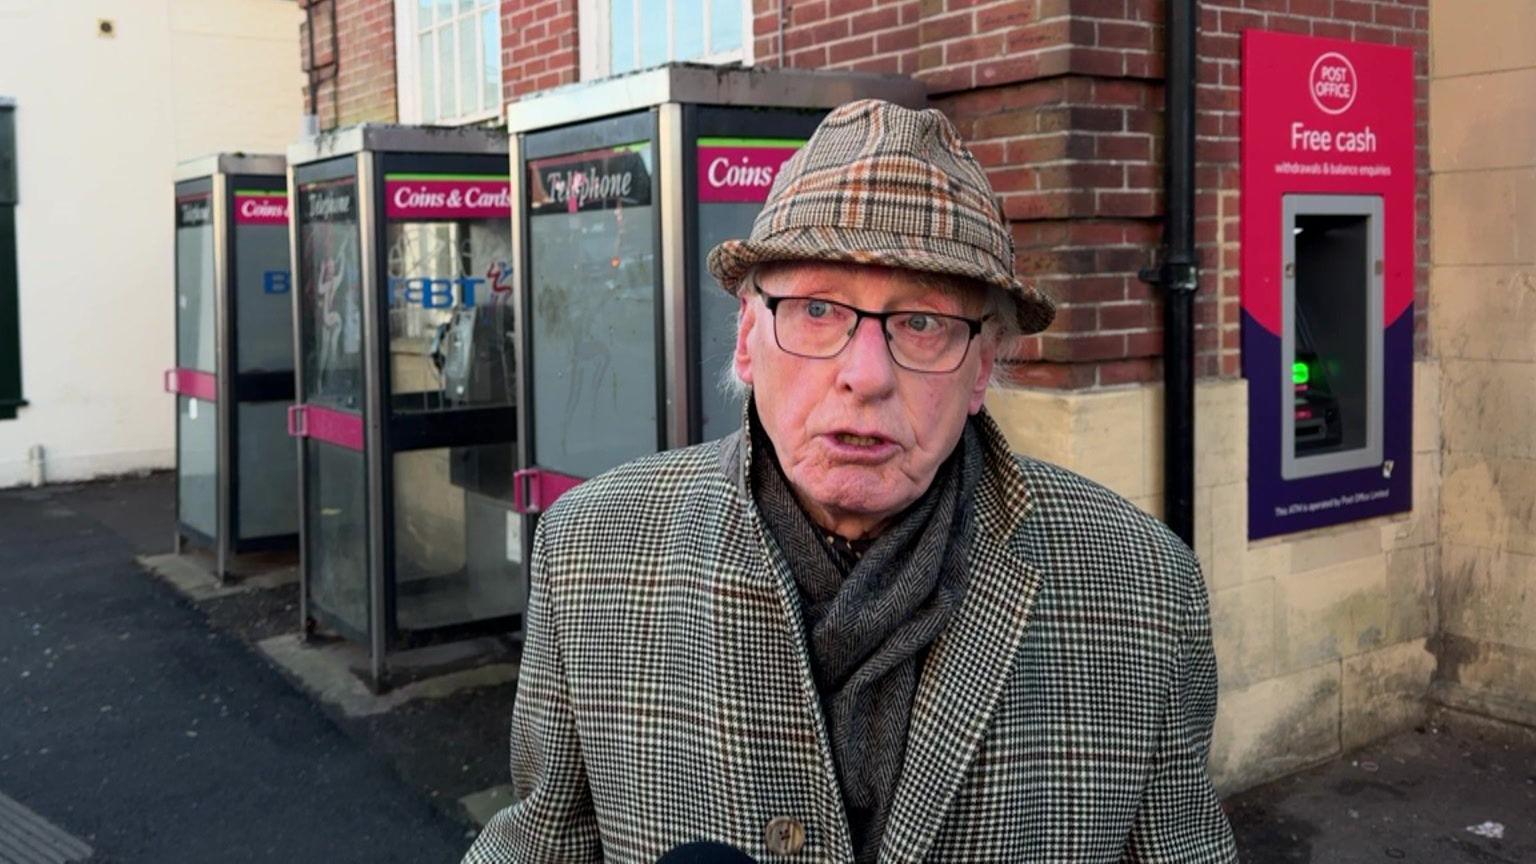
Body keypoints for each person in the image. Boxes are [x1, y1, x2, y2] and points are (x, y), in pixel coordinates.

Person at [465, 99, 1237, 863]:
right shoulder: (592, 549)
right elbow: (539, 842)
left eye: (924, 322)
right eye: (816, 309)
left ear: (980, 371)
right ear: (746, 340)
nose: (864, 377)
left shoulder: (1143, 588)